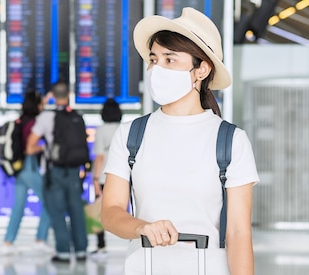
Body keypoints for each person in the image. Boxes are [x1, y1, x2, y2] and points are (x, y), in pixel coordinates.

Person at [100, 7, 259, 275]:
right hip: (144, 268)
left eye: (170, 60)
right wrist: (141, 227)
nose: (156, 69)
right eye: (153, 59)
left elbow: (239, 232)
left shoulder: (231, 141)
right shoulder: (130, 135)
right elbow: (111, 212)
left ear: (201, 69)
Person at [26, 81, 89, 263]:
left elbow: (30, 147)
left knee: (56, 210)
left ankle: (62, 252)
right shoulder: (78, 116)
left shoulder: (46, 117)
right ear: (69, 94)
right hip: (74, 170)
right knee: (76, 210)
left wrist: (46, 149)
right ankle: (81, 251)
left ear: (52, 96)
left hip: (54, 171)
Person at [2, 90, 52, 255]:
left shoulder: (21, 121)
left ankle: (8, 242)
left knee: (18, 206)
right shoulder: (34, 123)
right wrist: (45, 146)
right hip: (29, 167)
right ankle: (40, 239)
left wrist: (47, 96)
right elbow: (30, 149)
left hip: (18, 168)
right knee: (49, 202)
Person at [89, 98, 123, 260]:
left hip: (103, 177)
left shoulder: (101, 130)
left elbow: (100, 157)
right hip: (122, 176)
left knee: (99, 211)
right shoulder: (121, 129)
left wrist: (95, 179)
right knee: (126, 210)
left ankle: (101, 246)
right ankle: (134, 241)